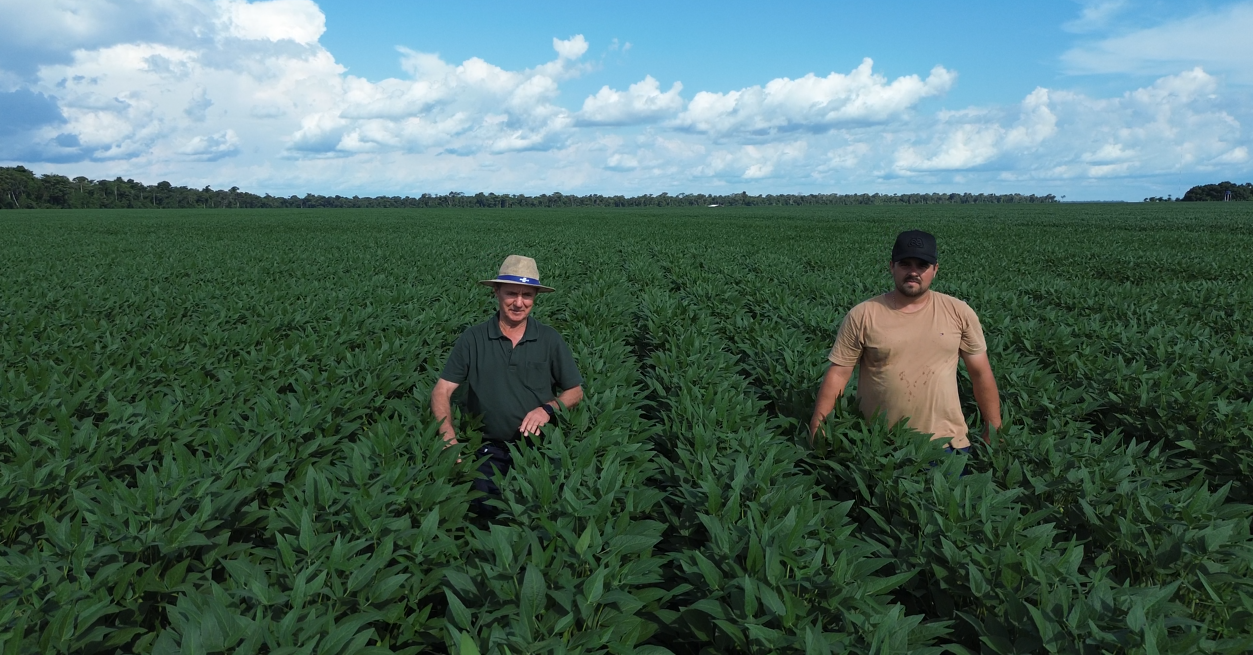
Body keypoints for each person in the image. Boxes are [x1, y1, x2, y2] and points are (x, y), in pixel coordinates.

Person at [808, 230, 1001, 452]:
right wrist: (818, 424)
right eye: (905, 264)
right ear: (891, 266)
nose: (913, 272)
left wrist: (994, 426)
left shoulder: (959, 312)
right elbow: (839, 373)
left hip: (947, 444)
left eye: (922, 265)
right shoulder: (864, 314)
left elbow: (980, 373)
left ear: (935, 269)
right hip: (879, 445)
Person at [431, 255, 584, 506]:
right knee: (485, 512)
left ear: (535, 297)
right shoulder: (473, 338)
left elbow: (575, 391)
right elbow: (442, 390)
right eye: (511, 293)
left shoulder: (549, 339)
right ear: (496, 292)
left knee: (538, 514)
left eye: (527, 295)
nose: (519, 303)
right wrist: (448, 437)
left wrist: (548, 408)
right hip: (486, 448)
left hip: (537, 448)